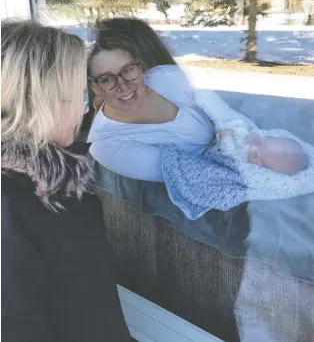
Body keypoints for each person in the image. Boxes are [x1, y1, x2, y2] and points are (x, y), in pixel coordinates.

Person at [1, 20, 131, 342]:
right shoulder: (20, 206)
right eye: (79, 97)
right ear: (40, 104)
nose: (86, 111)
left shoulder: (42, 188)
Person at [87, 17, 217, 182]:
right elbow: (190, 173)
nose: (123, 85)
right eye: (106, 79)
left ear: (139, 65)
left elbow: (226, 116)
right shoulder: (106, 144)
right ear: (95, 87)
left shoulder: (165, 78)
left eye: (128, 70)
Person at [217, 122, 308, 175]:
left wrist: (227, 138)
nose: (253, 149)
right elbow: (260, 132)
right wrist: (254, 134)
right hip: (232, 127)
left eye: (257, 157)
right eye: (262, 144)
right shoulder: (263, 136)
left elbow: (228, 157)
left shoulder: (241, 159)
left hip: (219, 141)